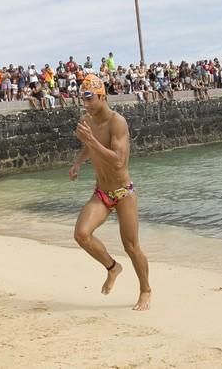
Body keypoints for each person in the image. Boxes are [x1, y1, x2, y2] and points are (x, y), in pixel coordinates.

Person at [69, 74, 151, 311]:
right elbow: (88, 146)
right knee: (81, 234)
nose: (85, 104)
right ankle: (112, 267)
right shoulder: (88, 119)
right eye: (82, 98)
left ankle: (145, 289)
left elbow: (118, 161)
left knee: (131, 246)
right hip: (102, 193)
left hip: (123, 192)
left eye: (89, 98)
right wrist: (77, 162)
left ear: (102, 96)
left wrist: (92, 142)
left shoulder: (118, 122)